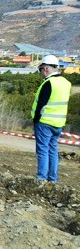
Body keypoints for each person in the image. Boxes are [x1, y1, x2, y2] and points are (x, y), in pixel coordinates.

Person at [32, 54, 72, 183]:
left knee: (43, 150)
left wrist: (35, 120)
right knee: (53, 150)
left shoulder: (49, 83)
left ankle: (41, 177)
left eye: (41, 69)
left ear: (45, 68)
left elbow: (41, 105)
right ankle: (52, 179)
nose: (41, 73)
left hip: (44, 122)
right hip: (58, 123)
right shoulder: (66, 83)